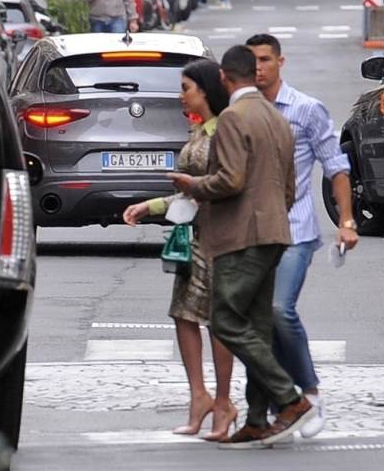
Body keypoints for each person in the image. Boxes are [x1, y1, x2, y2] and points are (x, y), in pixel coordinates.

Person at [168, 46, 314, 449]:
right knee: (257, 327)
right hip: (276, 231)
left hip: (240, 235)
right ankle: (255, 418)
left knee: (226, 319)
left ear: (224, 79)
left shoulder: (234, 117)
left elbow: (229, 180)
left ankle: (290, 398)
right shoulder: (275, 115)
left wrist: (192, 185)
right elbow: (289, 186)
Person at [246, 34, 359, 439]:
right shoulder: (240, 110)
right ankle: (281, 403)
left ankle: (310, 394)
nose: (258, 67)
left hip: (296, 228)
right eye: (252, 61)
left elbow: (336, 167)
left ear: (280, 61)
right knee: (257, 323)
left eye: (265, 60)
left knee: (279, 309)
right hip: (252, 232)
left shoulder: (306, 109)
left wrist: (347, 222)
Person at [122, 60, 237, 440]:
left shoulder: (225, 130)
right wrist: (151, 206)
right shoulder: (199, 129)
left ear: (204, 90)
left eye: (186, 87)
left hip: (220, 234)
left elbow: (227, 183)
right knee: (184, 314)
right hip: (193, 233)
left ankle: (223, 402)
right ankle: (199, 396)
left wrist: (191, 186)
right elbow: (186, 190)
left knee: (217, 320)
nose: (180, 94)